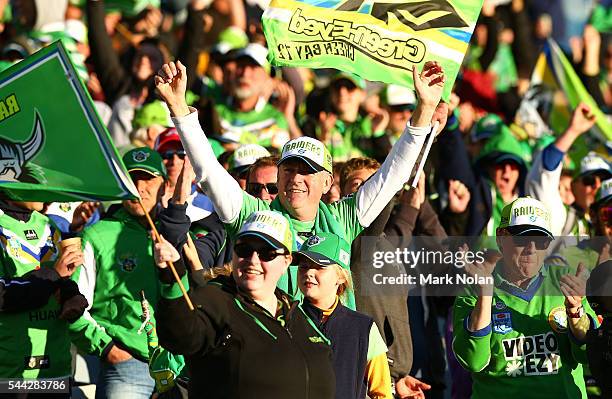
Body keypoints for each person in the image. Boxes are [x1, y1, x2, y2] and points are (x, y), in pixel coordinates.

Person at [154, 60, 446, 299]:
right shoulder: (254, 215)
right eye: (288, 169)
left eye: (306, 170)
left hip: (332, 355)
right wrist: (178, 107)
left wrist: (425, 109)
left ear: (328, 182)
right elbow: (209, 170)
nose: (295, 178)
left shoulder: (342, 218)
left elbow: (393, 174)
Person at [154, 210, 335, 398]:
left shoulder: (295, 312)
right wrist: (171, 279)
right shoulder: (214, 299)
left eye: (267, 253)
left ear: (286, 262)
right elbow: (179, 335)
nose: (253, 260)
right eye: (244, 249)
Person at [453, 197, 597, 398]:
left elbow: (589, 354)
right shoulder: (472, 290)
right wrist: (485, 295)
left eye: (540, 240)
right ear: (501, 238)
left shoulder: (566, 279)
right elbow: (473, 361)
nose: (531, 249)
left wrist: (575, 312)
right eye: (522, 238)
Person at [68, 147, 168, 399]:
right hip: (127, 366)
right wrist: (108, 348)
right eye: (130, 179)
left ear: (165, 186)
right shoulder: (97, 235)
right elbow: (73, 304)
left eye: (148, 178)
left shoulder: (177, 233)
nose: (139, 187)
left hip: (178, 366)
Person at [295, 232, 392, 399]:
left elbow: (382, 393)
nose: (309, 272)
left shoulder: (363, 328)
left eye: (319, 266)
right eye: (303, 266)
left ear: (340, 276)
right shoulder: (285, 320)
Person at [0, 198, 87, 381]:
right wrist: (54, 274)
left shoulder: (49, 224)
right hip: (12, 371)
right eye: (34, 179)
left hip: (57, 366)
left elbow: (56, 280)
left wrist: (71, 295)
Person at [526, 103, 603, 237]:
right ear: (574, 185)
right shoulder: (558, 215)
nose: (597, 185)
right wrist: (572, 131)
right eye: (589, 180)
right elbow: (546, 169)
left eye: (604, 180)